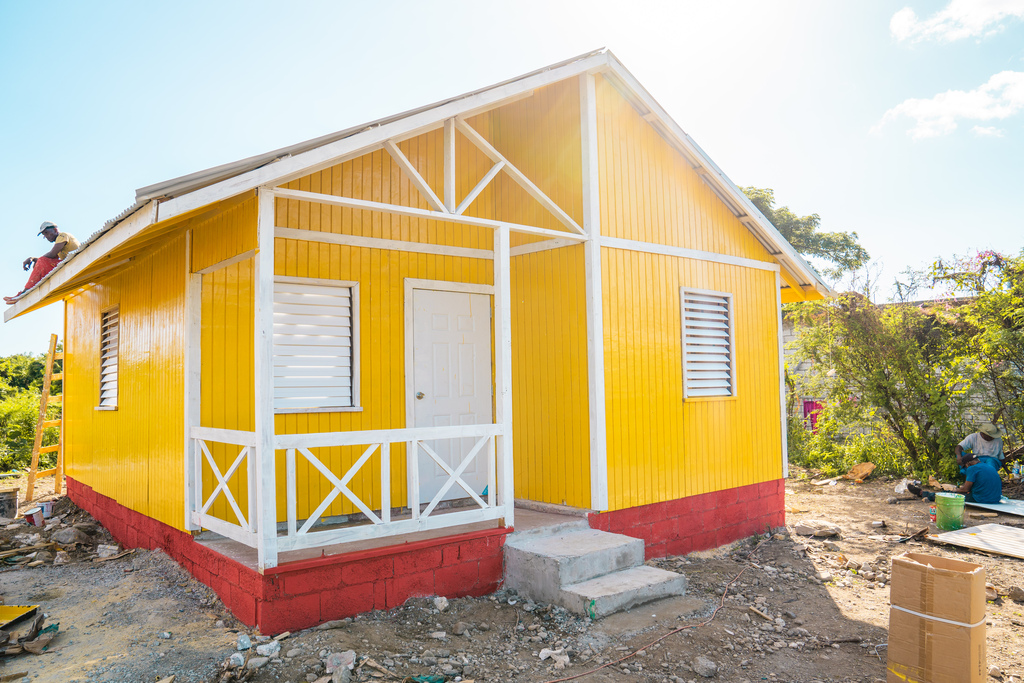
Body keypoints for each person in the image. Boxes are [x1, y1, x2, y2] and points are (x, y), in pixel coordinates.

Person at [4, 222, 80, 304]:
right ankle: (27, 290)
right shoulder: (59, 245)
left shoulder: (63, 236)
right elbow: (50, 259)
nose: (46, 237)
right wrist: (33, 259)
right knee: (40, 262)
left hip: (76, 263)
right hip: (69, 265)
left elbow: (51, 254)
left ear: (55, 230)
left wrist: (37, 260)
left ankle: (25, 292)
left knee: (41, 261)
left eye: (46, 233)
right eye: (44, 235)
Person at [908, 458, 1003, 504]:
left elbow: (965, 489)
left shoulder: (972, 468)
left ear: (968, 464)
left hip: (982, 499)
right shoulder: (989, 467)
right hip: (996, 498)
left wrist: (955, 490)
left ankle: (923, 493)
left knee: (949, 495)